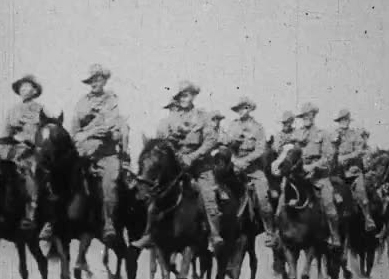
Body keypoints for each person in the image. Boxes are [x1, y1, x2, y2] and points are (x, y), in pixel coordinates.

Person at [131, 80, 222, 250]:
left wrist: (192, 156)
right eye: (181, 96)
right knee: (157, 195)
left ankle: (214, 235)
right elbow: (162, 144)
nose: (183, 99)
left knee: (209, 198)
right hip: (178, 166)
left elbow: (211, 141)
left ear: (193, 96)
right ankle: (149, 234)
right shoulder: (169, 120)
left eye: (186, 95)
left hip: (200, 167)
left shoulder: (203, 117)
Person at [70, 64, 128, 246]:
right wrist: (89, 134)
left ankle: (109, 222)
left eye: (98, 79)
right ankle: (51, 223)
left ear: (104, 81)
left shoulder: (112, 100)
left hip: (106, 153)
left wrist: (112, 133)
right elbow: (74, 132)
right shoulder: (81, 102)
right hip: (84, 153)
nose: (95, 83)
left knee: (110, 185)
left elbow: (116, 126)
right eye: (92, 80)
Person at [222, 96, 276, 247]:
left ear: (250, 109)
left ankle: (269, 231)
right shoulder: (232, 126)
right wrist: (234, 160)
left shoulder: (258, 128)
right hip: (234, 167)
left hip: (253, 169)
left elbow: (260, 149)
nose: (241, 111)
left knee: (263, 198)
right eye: (239, 108)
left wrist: (245, 161)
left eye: (244, 108)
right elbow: (227, 145)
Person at [2, 74, 46, 233]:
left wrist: (29, 141)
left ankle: (30, 214)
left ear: (35, 91)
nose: (23, 89)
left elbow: (46, 133)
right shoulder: (12, 110)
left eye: (27, 86)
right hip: (13, 149)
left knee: (30, 174)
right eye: (21, 86)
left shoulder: (41, 110)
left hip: (32, 151)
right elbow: (6, 133)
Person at [295, 102, 342, 248]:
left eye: (309, 115)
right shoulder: (297, 134)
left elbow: (328, 156)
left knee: (329, 204)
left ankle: (334, 235)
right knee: (283, 198)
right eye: (304, 116)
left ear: (314, 116)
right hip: (301, 175)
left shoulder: (323, 134)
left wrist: (313, 166)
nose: (306, 118)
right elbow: (293, 154)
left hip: (319, 177)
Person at [330, 109, 376, 231]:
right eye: (341, 120)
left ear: (349, 121)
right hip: (338, 174)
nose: (343, 122)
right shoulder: (333, 136)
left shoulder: (355, 135)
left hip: (353, 172)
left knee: (362, 194)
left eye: (345, 120)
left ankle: (368, 219)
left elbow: (359, 151)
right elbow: (330, 152)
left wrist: (345, 157)